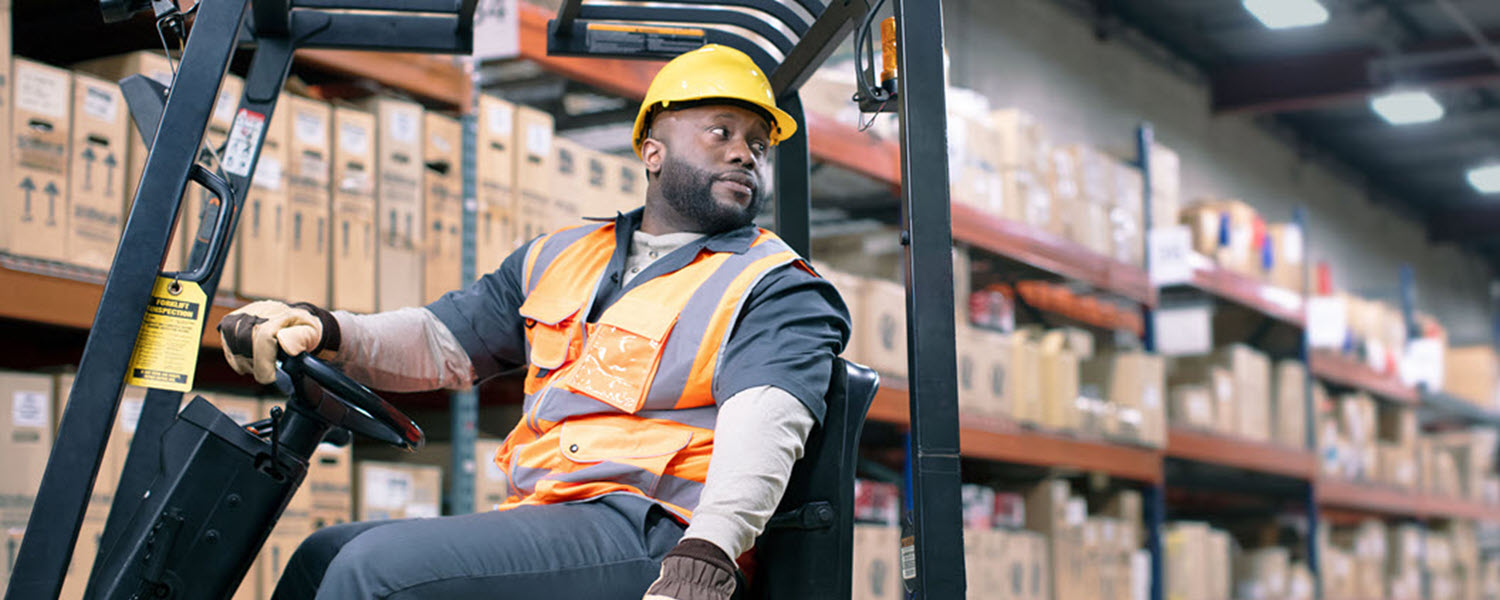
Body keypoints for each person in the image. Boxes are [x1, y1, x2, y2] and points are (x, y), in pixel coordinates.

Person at [216, 44, 850, 600]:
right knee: (320, 557)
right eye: (722, 131)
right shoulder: (563, 254)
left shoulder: (773, 283)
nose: (745, 154)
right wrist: (327, 329)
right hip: (552, 513)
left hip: (660, 532)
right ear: (653, 150)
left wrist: (708, 554)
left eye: (757, 145)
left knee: (373, 572)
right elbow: (442, 341)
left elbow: (767, 424)